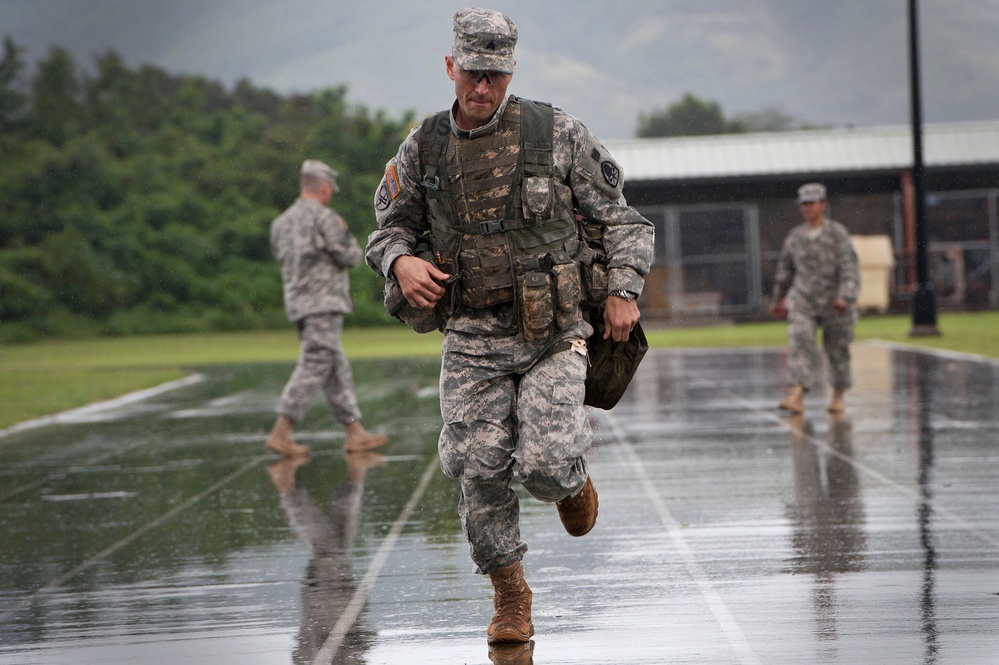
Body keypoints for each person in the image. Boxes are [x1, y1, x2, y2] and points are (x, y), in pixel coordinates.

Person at [365, 7, 654, 645]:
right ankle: (511, 597)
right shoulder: (425, 147)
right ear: (451, 67)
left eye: (495, 75)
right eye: (472, 73)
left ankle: (571, 479)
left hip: (554, 331)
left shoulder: (557, 134)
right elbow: (385, 230)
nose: (483, 88)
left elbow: (624, 224)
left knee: (546, 463)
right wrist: (401, 260)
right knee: (477, 464)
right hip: (470, 333)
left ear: (511, 69)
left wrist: (623, 291)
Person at [267, 159, 387, 458]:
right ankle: (282, 430)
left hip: (298, 303)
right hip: (323, 302)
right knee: (316, 364)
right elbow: (348, 256)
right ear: (323, 187)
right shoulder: (324, 218)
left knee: (334, 367)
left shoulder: (280, 223)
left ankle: (354, 432)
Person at [771, 182, 860, 414]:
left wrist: (845, 297)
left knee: (837, 350)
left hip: (834, 304)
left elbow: (850, 269)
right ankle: (796, 395)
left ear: (823, 204)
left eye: (812, 203)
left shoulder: (838, 234)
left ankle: (838, 395)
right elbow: (785, 271)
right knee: (800, 343)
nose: (807, 208)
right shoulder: (795, 237)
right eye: (804, 204)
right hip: (804, 302)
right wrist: (777, 299)